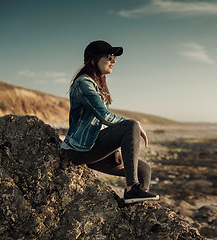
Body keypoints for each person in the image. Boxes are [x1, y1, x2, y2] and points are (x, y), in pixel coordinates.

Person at [61, 40, 159, 204]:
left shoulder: (98, 85)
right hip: (78, 150)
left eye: (114, 57)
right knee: (131, 125)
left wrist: (115, 151)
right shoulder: (83, 83)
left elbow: (98, 126)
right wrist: (135, 125)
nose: (113, 61)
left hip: (91, 147)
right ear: (94, 60)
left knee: (144, 170)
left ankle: (133, 213)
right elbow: (104, 116)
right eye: (109, 57)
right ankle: (131, 188)